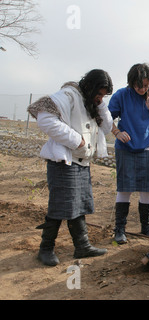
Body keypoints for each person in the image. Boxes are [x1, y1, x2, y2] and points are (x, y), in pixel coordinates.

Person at [27, 69, 114, 266]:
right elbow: (44, 118)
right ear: (89, 86)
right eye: (98, 94)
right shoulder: (69, 95)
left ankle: (82, 246)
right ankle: (45, 249)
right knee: (60, 206)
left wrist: (101, 104)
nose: (99, 98)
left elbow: (107, 127)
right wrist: (78, 141)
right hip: (63, 162)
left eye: (103, 95)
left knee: (78, 205)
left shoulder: (92, 103)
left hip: (81, 163)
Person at [108, 63, 149, 244]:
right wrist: (117, 133)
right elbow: (106, 118)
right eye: (139, 86)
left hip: (147, 147)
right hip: (125, 148)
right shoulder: (121, 95)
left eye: (147, 85)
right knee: (124, 188)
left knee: (146, 189)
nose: (143, 89)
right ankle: (120, 229)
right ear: (131, 82)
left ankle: (146, 227)